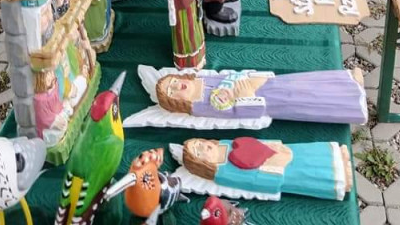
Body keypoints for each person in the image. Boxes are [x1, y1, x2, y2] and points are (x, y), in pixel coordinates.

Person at [155, 68, 367, 124]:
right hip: (262, 98)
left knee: (302, 82)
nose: (177, 86)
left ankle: (346, 81)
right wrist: (243, 93)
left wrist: (241, 78)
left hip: (262, 83)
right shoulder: (200, 105)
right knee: (302, 98)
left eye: (173, 82)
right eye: (172, 92)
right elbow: (232, 111)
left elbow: (230, 77)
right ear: (178, 102)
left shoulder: (203, 79)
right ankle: (350, 103)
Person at [181, 137, 352, 200]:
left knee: (305, 153)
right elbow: (250, 181)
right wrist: (276, 170)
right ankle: (338, 178)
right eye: (198, 152)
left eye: (199, 144)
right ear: (201, 165)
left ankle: (335, 154)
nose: (203, 147)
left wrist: (274, 147)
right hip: (274, 169)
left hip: (274, 152)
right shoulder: (222, 172)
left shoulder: (224, 143)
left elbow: (253, 144)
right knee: (305, 173)